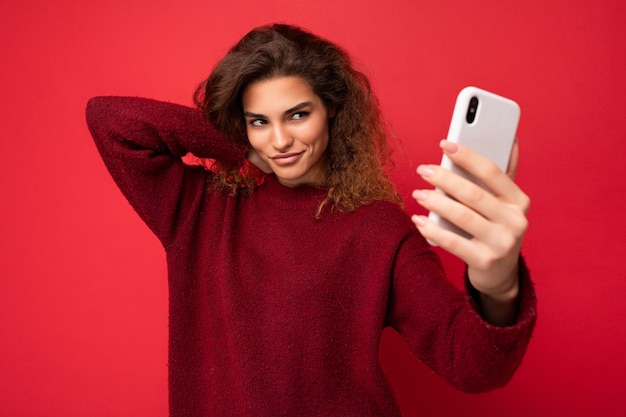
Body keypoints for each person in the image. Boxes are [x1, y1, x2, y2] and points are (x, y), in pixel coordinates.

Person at [86, 23, 536, 417]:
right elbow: (110, 120)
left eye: (298, 115)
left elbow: (471, 362)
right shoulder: (203, 209)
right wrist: (238, 146)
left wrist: (499, 284)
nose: (280, 140)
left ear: (332, 108)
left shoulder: (377, 228)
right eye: (259, 120)